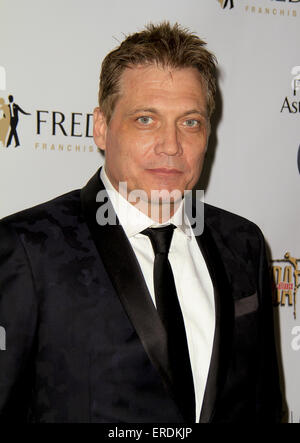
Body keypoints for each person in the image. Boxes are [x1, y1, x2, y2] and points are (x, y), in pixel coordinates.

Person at [0, 22, 282, 423]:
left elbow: (264, 405)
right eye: (146, 119)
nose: (171, 145)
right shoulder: (27, 249)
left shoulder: (243, 243)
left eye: (190, 122)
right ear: (101, 127)